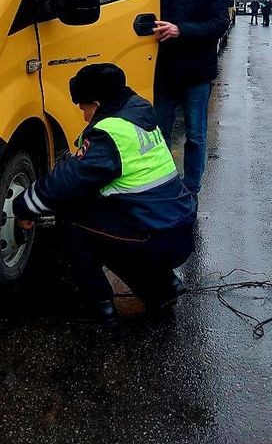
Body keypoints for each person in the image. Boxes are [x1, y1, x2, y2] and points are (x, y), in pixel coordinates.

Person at [13, 63, 197, 323]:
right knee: (114, 227)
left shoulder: (110, 135)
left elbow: (66, 180)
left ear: (97, 104)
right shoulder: (138, 114)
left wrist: (25, 206)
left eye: (84, 108)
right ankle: (164, 286)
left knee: (75, 223)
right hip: (178, 228)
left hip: (155, 238)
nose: (84, 116)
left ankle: (101, 307)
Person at [152, 0, 230, 200]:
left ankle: (191, 190)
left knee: (195, 137)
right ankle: (159, 184)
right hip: (164, 70)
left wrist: (180, 30)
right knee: (157, 132)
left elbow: (220, 24)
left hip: (196, 73)